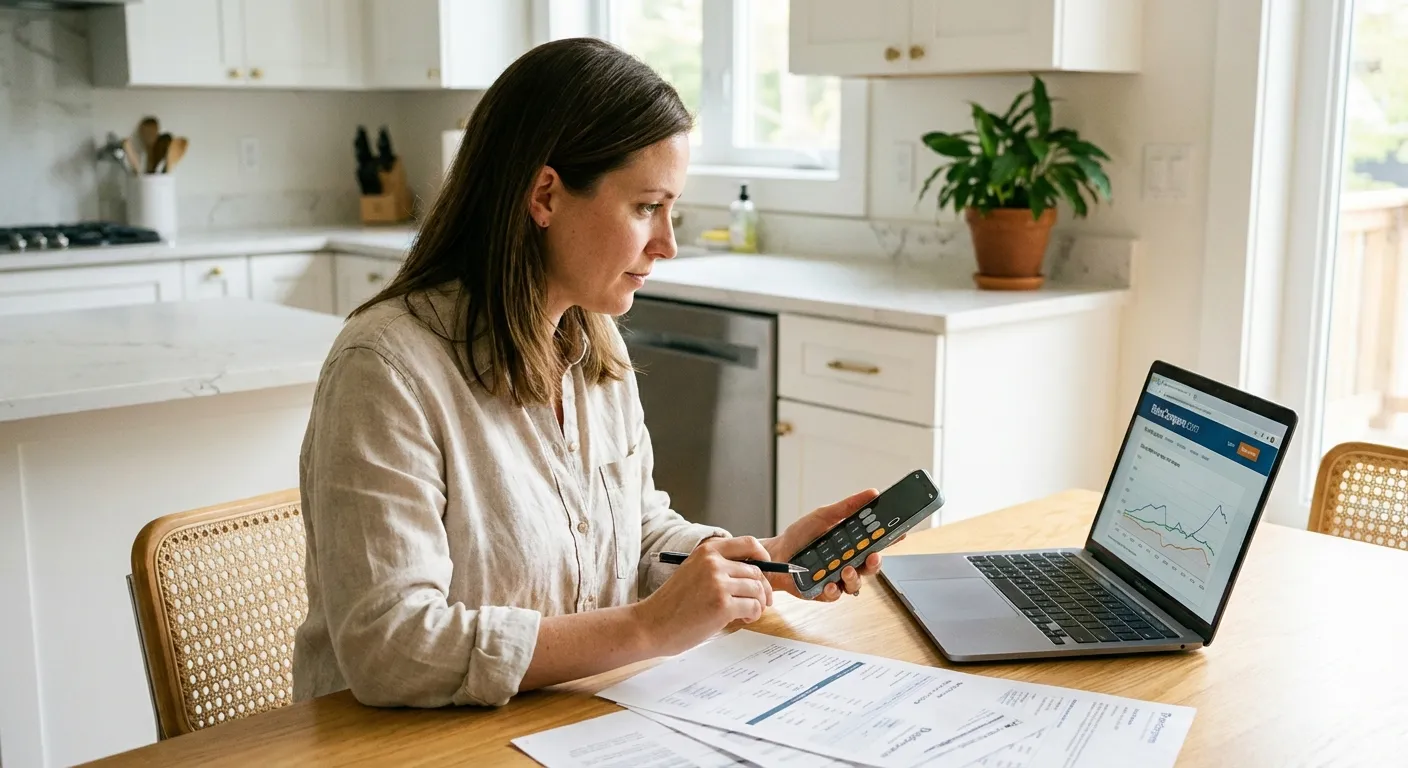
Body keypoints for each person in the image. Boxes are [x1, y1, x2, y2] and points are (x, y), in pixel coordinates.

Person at [292, 37, 891, 709]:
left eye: (673, 210)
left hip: (562, 720)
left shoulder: (589, 342)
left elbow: (636, 533)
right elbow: (392, 648)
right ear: (545, 195)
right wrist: (646, 628)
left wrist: (765, 562)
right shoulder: (385, 371)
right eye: (645, 207)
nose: (666, 243)